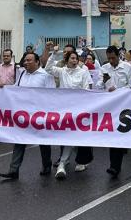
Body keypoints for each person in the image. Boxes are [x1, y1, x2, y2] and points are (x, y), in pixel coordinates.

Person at [0, 52, 55, 180]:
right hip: (23, 114)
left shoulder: (45, 76)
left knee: (43, 142)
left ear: (37, 62)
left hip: (40, 114)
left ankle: (47, 165)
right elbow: (15, 88)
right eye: (25, 61)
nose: (26, 63)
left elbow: (52, 95)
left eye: (29, 60)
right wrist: (4, 87)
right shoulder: (23, 73)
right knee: (19, 140)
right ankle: (13, 170)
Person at [49, 51, 93, 179]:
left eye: (76, 58)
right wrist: (54, 55)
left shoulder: (83, 72)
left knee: (76, 135)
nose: (75, 60)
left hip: (79, 108)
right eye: (72, 58)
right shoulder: (62, 71)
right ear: (67, 60)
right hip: (65, 108)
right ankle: (65, 163)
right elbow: (48, 68)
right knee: (68, 135)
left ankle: (69, 162)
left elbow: (87, 89)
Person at [99, 46, 131, 179]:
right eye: (109, 58)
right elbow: (98, 86)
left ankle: (116, 166)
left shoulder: (126, 67)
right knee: (111, 136)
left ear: (118, 55)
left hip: (123, 106)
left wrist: (118, 90)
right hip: (109, 107)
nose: (111, 60)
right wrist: (103, 82)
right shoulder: (104, 68)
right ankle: (113, 165)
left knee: (119, 135)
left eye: (113, 58)